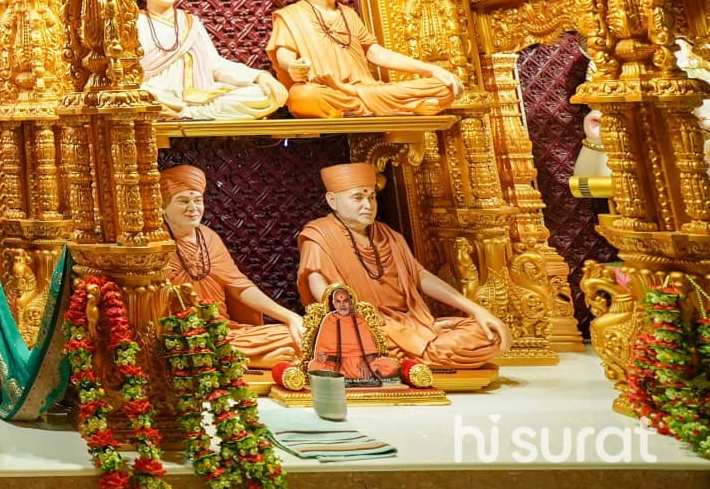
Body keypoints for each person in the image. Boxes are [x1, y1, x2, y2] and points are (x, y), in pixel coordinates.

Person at [297, 162, 505, 369]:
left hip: (410, 322)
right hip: (362, 327)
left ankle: (399, 357)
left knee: (487, 334)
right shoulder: (319, 235)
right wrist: (388, 330)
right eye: (358, 198)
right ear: (332, 200)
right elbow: (321, 289)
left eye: (372, 197)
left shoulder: (389, 235)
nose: (368, 206)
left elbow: (420, 276)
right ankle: (404, 354)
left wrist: (476, 310)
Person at [268, 0, 460, 117]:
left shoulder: (348, 14)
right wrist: (293, 66)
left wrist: (430, 70)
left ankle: (397, 106)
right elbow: (284, 56)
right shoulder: (291, 15)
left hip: (366, 90)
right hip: (326, 91)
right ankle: (407, 107)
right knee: (301, 96)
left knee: (447, 87)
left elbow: (375, 53)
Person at [159, 165, 301, 368]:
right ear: (163, 206)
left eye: (197, 200)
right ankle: (252, 359)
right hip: (181, 335)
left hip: (224, 331)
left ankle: (234, 356)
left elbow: (239, 286)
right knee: (177, 348)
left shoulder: (208, 237)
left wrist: (289, 316)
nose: (193, 208)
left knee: (295, 335)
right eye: (183, 201)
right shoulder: (156, 243)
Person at [132, 0, 285, 120]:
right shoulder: (135, 22)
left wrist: (258, 76)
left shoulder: (190, 23)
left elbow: (216, 66)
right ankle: (183, 112)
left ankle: (187, 114)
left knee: (265, 94)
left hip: (195, 98)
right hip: (156, 96)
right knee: (136, 97)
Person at [308, 285, 400, 383]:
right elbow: (321, 352)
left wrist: (365, 364)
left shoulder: (358, 320)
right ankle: (360, 377)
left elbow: (370, 352)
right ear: (334, 304)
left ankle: (345, 377)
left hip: (358, 364)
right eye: (338, 302)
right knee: (314, 367)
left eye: (345, 301)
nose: (342, 305)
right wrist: (323, 357)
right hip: (336, 365)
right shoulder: (329, 320)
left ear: (351, 302)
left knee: (391, 365)